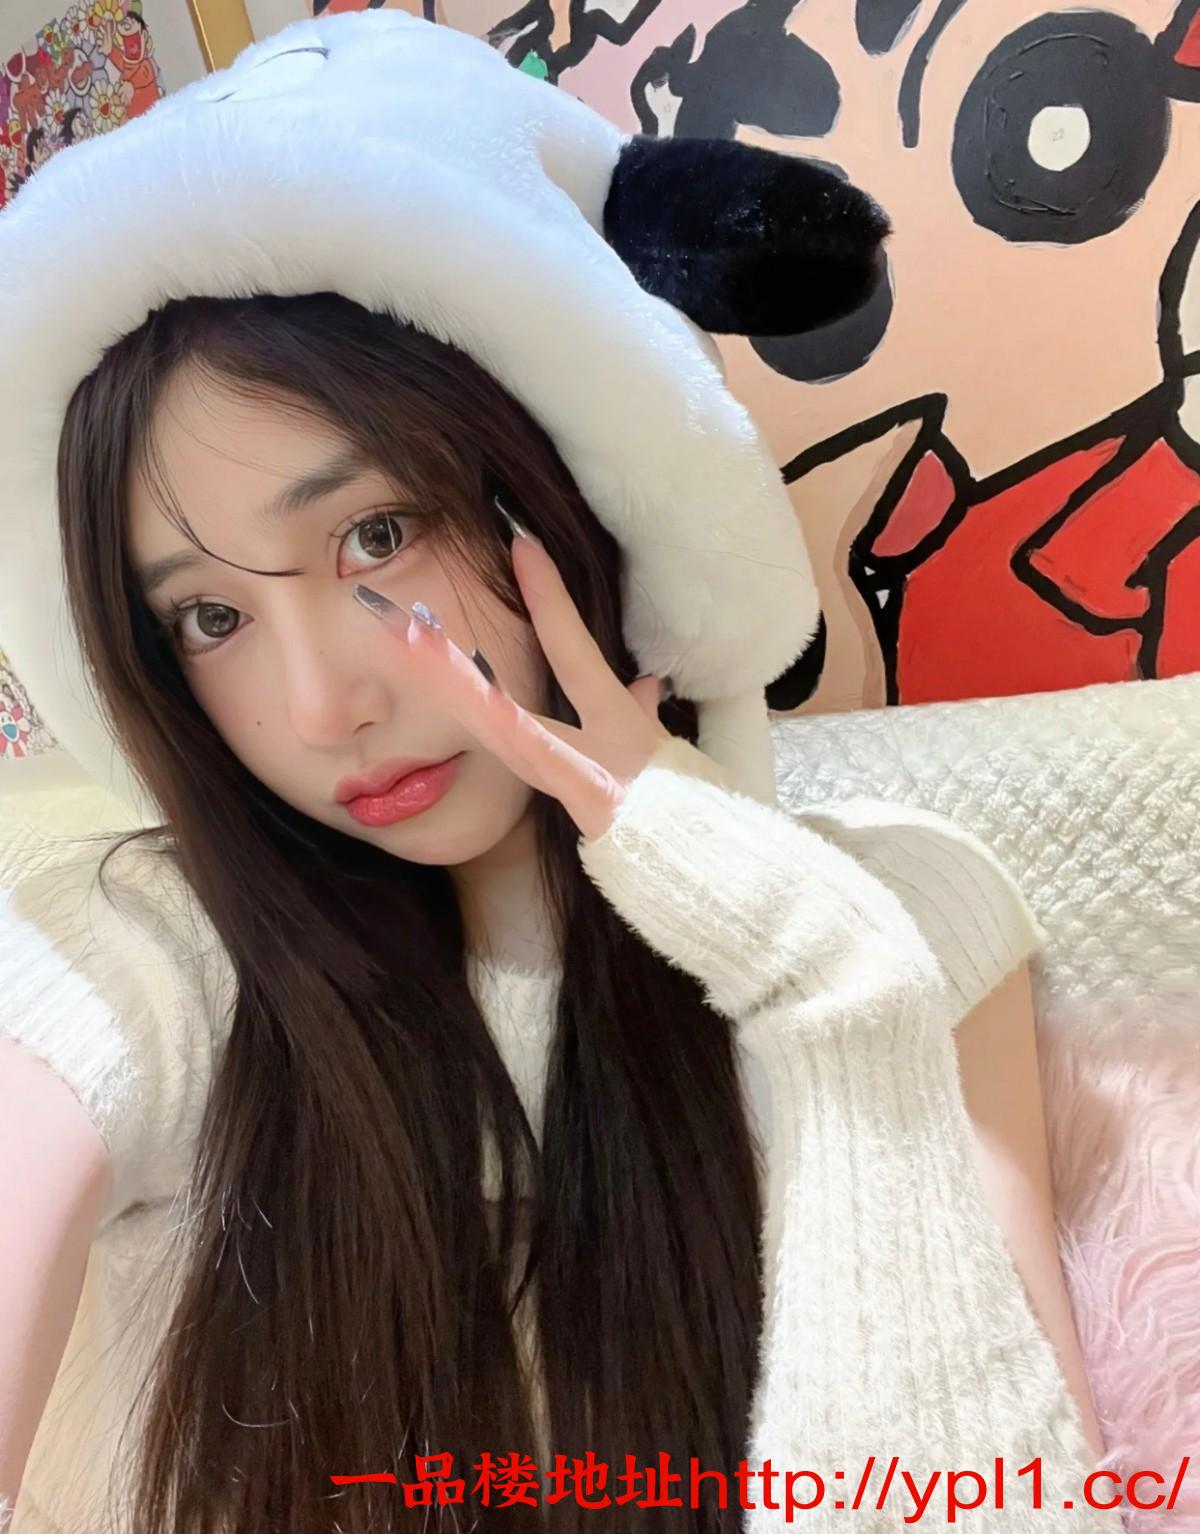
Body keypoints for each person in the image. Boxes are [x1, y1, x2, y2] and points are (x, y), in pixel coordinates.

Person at [0, 12, 1115, 1534]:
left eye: (378, 534)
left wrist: (826, 988)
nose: (321, 706)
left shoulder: (894, 912)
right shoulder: (154, 945)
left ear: (576, 485)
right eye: (210, 616)